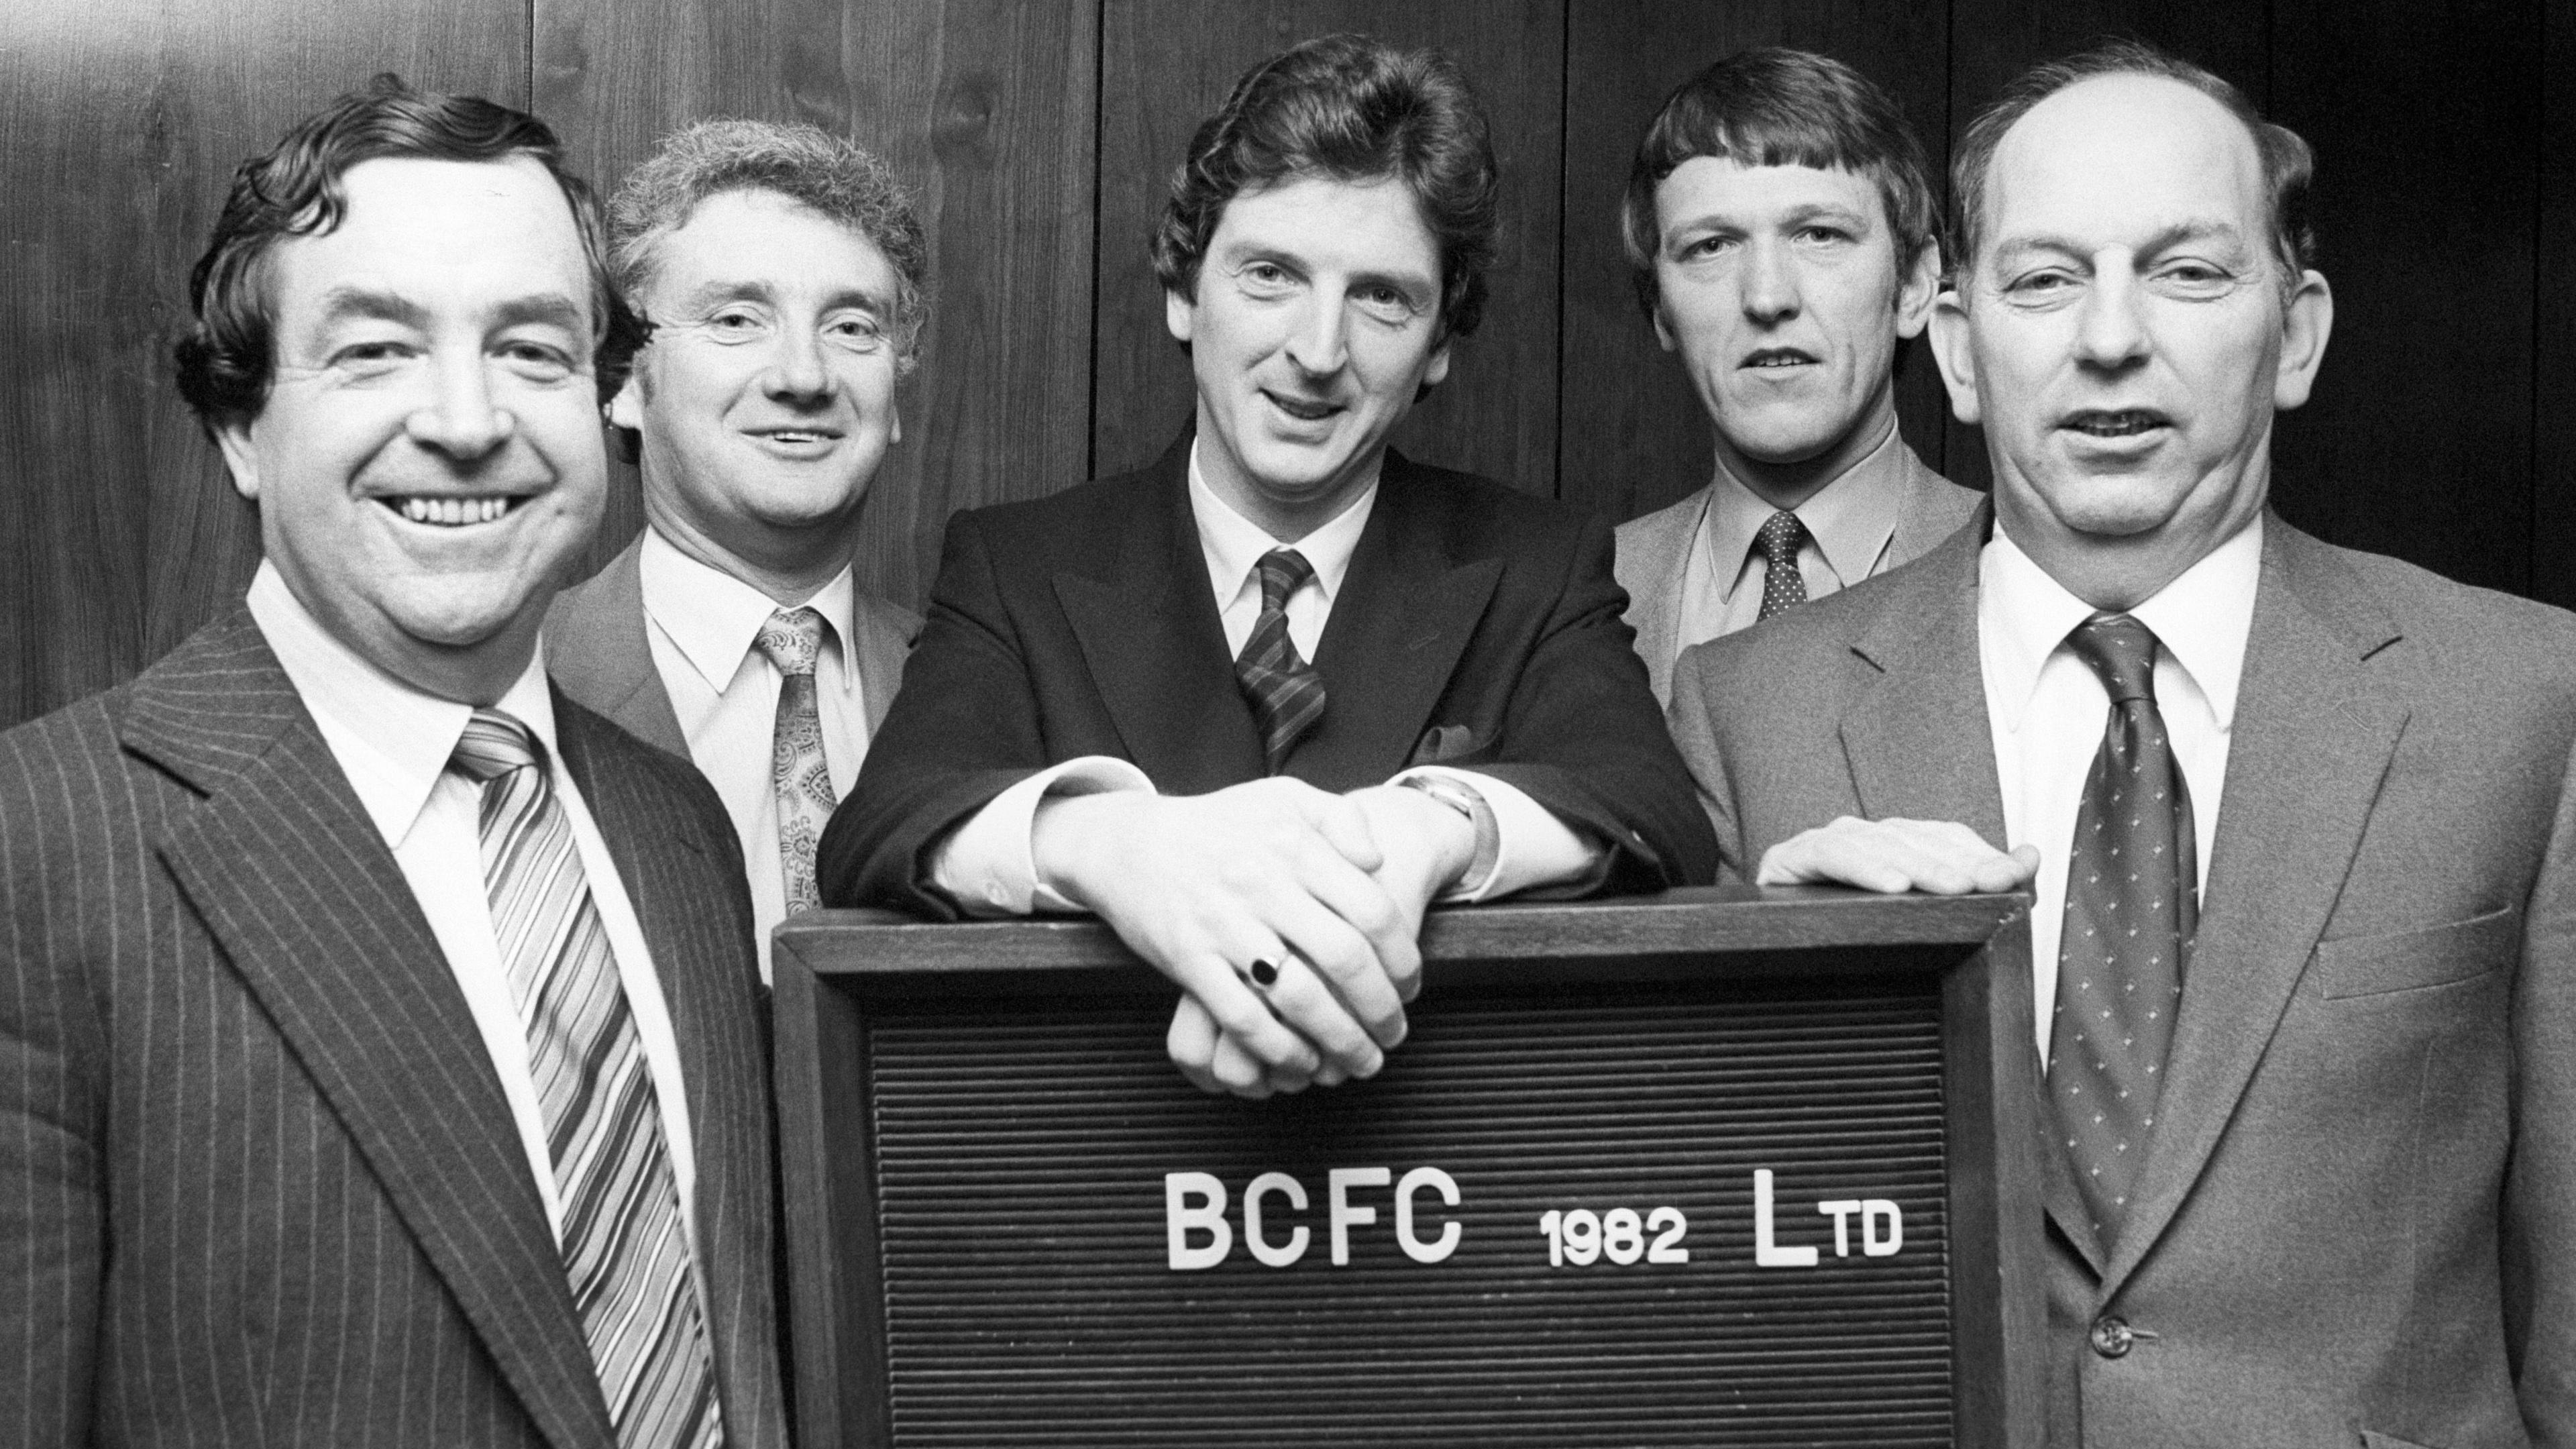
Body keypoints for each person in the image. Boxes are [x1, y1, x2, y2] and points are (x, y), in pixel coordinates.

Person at [1666, 41, 2573, 1444]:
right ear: (1960, 352)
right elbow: (1685, 1247)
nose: (2108, 339)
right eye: (2042, 280)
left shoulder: (2525, 695)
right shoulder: (1750, 711)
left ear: (2300, 332)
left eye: (2189, 272)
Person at [0, 77, 788, 1446]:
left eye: (535, 352)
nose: (469, 420)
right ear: (242, 425)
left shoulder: (680, 831)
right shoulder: (36, 847)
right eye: (375, 352)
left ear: (605, 405)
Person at [821, 34, 1715, 1099]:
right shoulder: (1017, 565)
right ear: (1184, 293)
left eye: (1381, 296)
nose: (1318, 349)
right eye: (1271, 275)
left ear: (1439, 342)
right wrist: (1111, 844)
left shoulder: (1536, 564)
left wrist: (1425, 829)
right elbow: (878, 831)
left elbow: (1654, 813)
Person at [549, 119, 927, 982]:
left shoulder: (983, 686)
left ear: (895, 397)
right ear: (623, 385)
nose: (804, 374)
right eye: (737, 319)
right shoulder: (515, 686)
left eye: (853, 328)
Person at [1613, 47, 1978, 703]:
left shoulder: (2017, 570)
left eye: (1819, 235)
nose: (1767, 297)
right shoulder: (1582, 596)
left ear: (1918, 285)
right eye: (1711, 247)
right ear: (1659, 309)